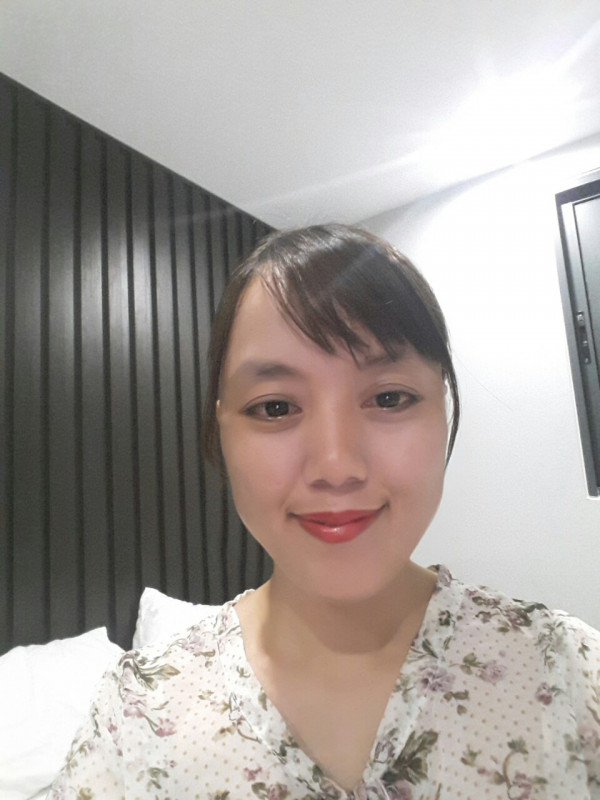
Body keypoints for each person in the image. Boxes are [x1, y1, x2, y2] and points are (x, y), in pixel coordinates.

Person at [48, 224, 599, 799]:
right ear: (220, 430)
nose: (336, 466)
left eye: (389, 398)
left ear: (443, 409)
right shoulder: (136, 715)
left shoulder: (570, 672)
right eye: (275, 407)